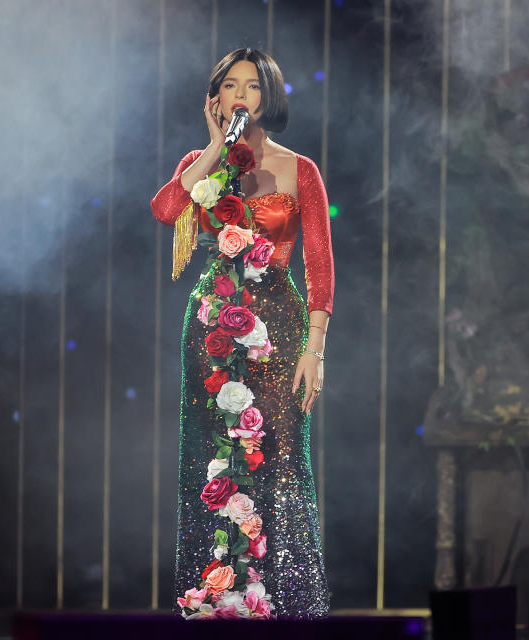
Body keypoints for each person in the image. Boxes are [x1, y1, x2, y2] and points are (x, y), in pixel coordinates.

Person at [150, 47, 333, 619]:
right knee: (212, 462)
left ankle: (281, 607)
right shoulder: (204, 162)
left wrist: (315, 351)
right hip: (213, 327)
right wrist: (211, 150)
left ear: (268, 97)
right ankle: (216, 604)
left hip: (279, 325)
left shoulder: (300, 169)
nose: (240, 95)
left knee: (276, 460)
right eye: (230, 85)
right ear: (216, 98)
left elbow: (320, 267)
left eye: (252, 87)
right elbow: (164, 209)